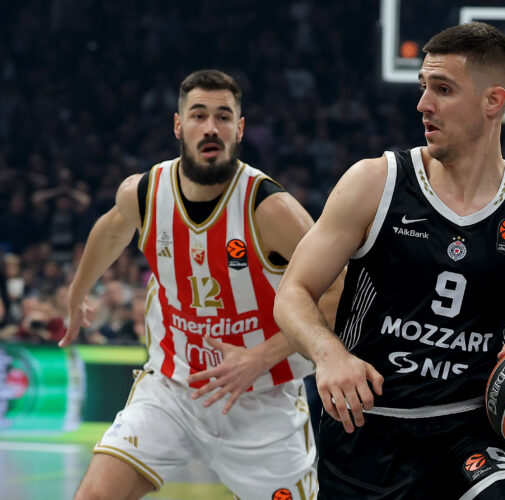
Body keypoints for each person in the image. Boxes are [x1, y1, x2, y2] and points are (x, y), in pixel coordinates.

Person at [274, 23, 505, 499]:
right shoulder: (375, 183)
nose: (423, 104)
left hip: (470, 430)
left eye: (443, 89)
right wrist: (330, 355)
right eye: (423, 87)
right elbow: (292, 294)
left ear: (493, 101)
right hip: (367, 428)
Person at [59, 69, 339, 500]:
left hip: (261, 401)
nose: (211, 127)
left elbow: (340, 292)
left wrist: (259, 357)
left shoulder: (270, 208)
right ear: (178, 125)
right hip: (171, 390)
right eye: (198, 115)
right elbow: (111, 231)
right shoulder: (144, 193)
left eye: (223, 117)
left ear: (239, 129)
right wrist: (77, 295)